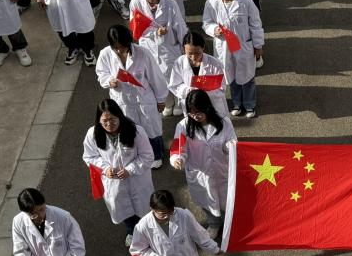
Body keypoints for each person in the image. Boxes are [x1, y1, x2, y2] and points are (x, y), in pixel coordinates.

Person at [82, 98, 156, 242]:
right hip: (114, 183)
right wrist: (105, 169)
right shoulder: (93, 134)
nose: (109, 124)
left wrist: (130, 170)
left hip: (138, 180)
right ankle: (132, 232)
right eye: (105, 121)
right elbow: (89, 156)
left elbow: (147, 156)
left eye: (112, 119)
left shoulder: (136, 131)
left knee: (144, 210)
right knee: (125, 212)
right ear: (99, 121)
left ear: (120, 116)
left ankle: (149, 233)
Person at [95, 24, 168, 165]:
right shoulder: (105, 54)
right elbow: (101, 73)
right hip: (122, 100)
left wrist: (161, 100)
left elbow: (156, 77)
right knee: (130, 129)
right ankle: (137, 155)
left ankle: (156, 154)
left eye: (122, 47)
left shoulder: (143, 53)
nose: (119, 50)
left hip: (144, 99)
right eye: (116, 47)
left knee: (151, 128)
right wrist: (109, 81)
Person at [201, 0, 265, 118]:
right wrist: (214, 30)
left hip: (243, 46)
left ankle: (249, 105)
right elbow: (206, 23)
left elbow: (256, 25)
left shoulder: (246, 2)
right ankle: (237, 104)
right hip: (224, 47)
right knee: (231, 76)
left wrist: (258, 45)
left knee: (247, 76)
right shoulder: (212, 3)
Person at [169, 88, 236, 232]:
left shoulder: (224, 122)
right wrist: (177, 159)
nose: (195, 116)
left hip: (221, 171)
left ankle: (230, 224)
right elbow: (178, 148)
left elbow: (232, 142)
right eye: (191, 112)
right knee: (207, 203)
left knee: (227, 201)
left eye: (198, 112)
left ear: (207, 107)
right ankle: (214, 224)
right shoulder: (183, 126)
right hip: (200, 174)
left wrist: (229, 146)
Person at [131, 0, 186, 115]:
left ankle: (179, 102)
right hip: (148, 47)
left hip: (169, 46)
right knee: (156, 77)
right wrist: (155, 33)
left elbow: (180, 27)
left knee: (174, 74)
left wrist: (185, 47)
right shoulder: (136, 4)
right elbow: (136, 29)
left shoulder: (170, 4)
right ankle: (168, 103)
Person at [168, 29, 231, 119]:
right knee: (194, 126)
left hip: (212, 105)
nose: (193, 57)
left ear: (203, 47)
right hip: (191, 107)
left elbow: (221, 88)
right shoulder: (179, 62)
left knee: (214, 126)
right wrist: (190, 91)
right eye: (190, 54)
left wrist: (204, 95)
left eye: (197, 53)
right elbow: (174, 85)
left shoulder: (215, 64)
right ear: (184, 49)